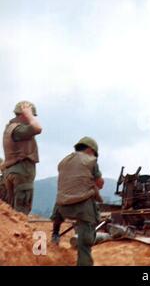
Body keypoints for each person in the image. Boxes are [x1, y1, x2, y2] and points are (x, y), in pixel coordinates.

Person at [54, 137, 104, 266]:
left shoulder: (63, 161)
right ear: (90, 149)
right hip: (82, 207)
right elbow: (99, 183)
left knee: (61, 196)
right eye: (94, 153)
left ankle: (55, 235)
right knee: (85, 243)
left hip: (61, 207)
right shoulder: (91, 160)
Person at [2, 101, 42, 214]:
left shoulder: (10, 128)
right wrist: (29, 114)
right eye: (31, 115)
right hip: (22, 171)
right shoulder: (19, 129)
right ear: (23, 114)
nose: (32, 118)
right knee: (21, 211)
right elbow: (38, 128)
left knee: (13, 211)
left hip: (12, 170)